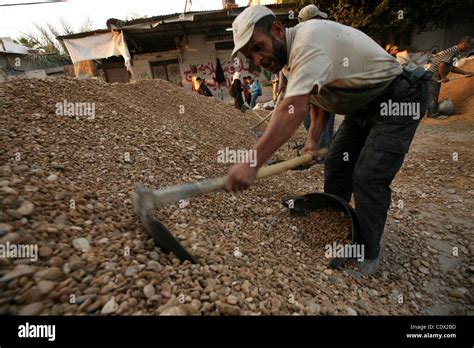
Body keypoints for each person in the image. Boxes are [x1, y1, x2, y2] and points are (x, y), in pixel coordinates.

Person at [224, 6, 431, 276]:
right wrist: (312, 140)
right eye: (250, 54)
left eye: (258, 47)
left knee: (369, 176)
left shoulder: (308, 42)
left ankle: (368, 253)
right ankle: (335, 221)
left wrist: (252, 162)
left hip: (398, 98)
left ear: (277, 29)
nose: (257, 59)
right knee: (336, 163)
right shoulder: (290, 57)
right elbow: (319, 99)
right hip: (364, 105)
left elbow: (292, 108)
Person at [297, 4, 334, 153]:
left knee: (322, 118)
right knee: (310, 119)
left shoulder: (326, 38)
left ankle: (323, 152)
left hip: (325, 86)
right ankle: (317, 145)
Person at [425, 36, 473, 119]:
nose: (470, 48)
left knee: (432, 94)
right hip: (433, 75)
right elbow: (442, 65)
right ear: (465, 43)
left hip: (434, 75)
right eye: (470, 45)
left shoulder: (455, 51)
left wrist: (465, 73)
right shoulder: (453, 51)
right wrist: (443, 77)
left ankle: (432, 112)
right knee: (433, 95)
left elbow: (451, 67)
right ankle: (432, 114)